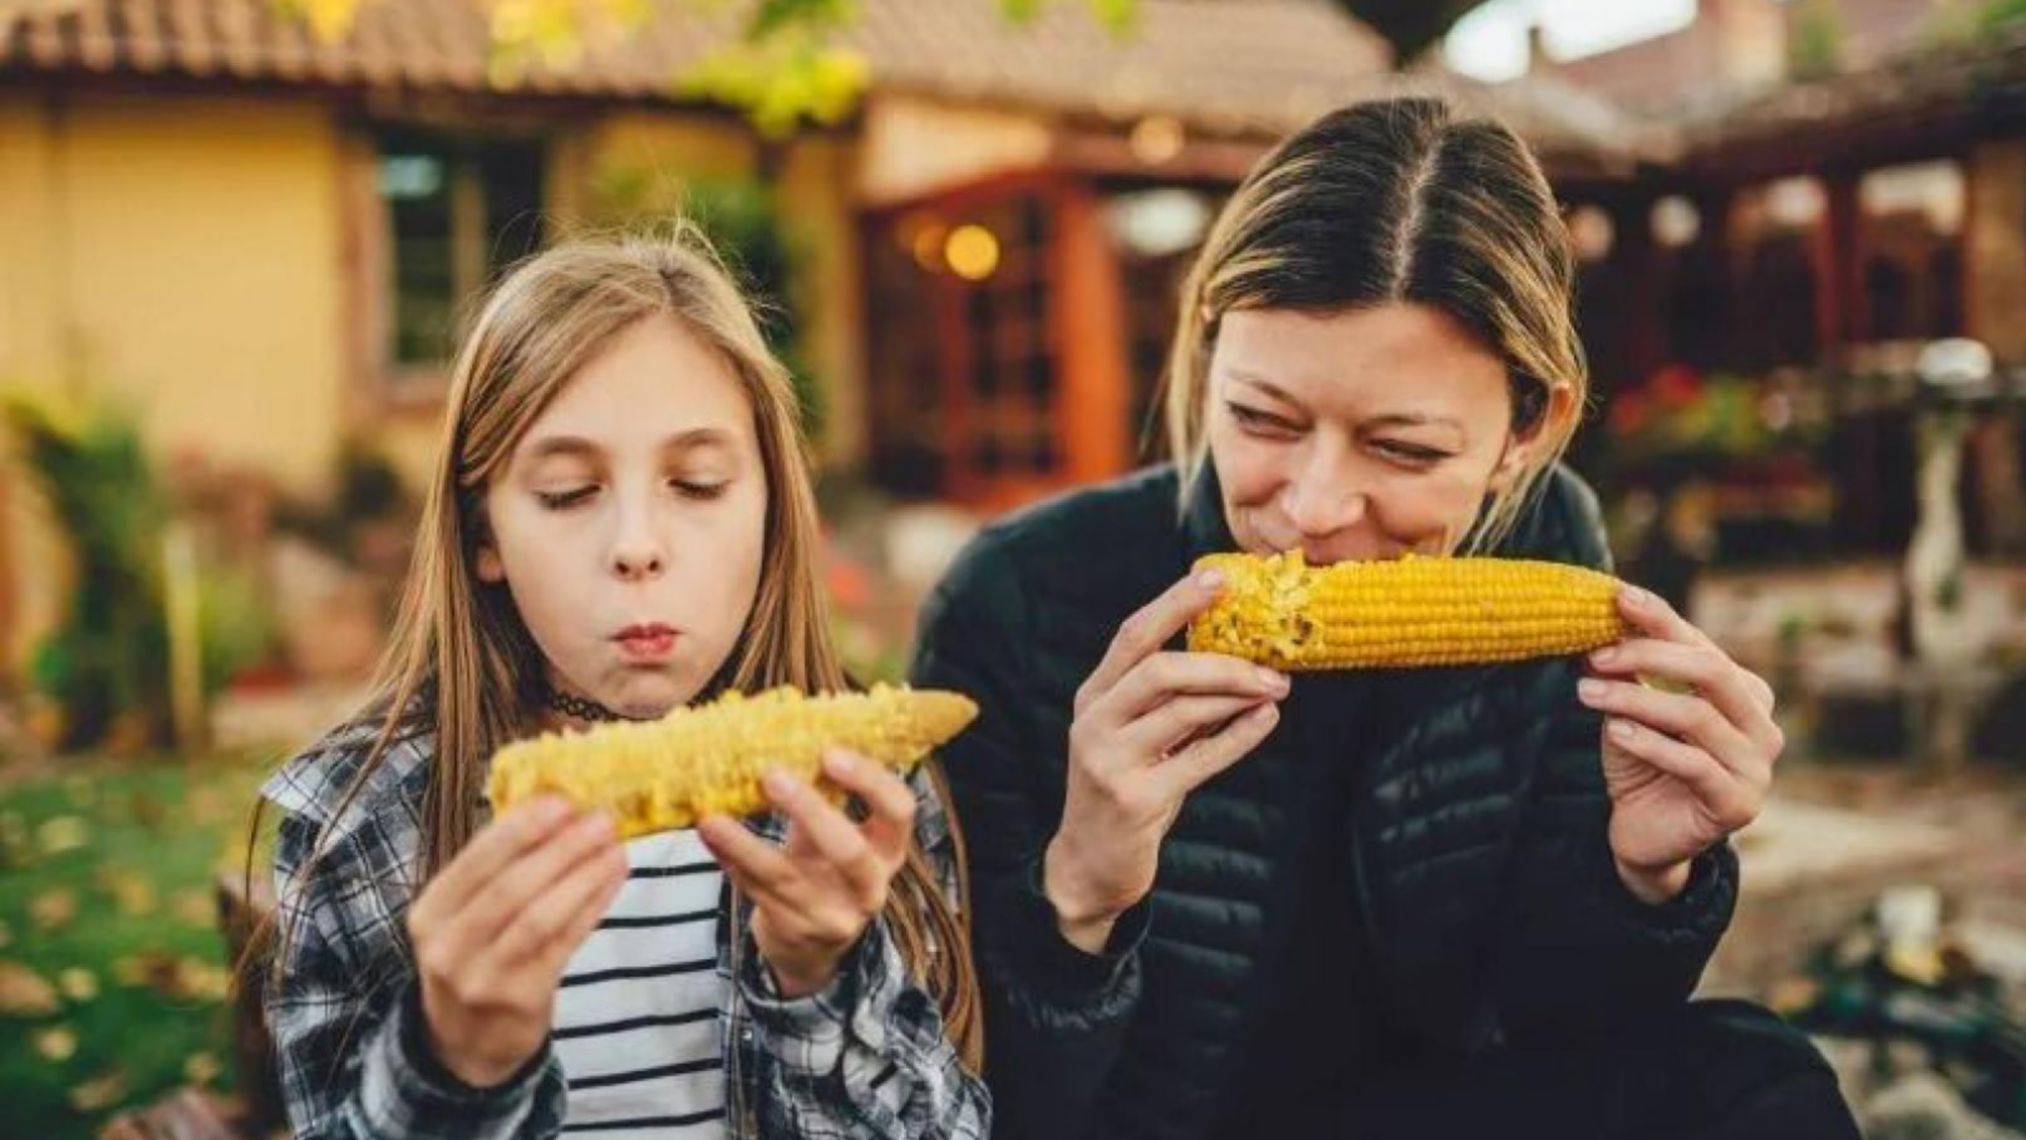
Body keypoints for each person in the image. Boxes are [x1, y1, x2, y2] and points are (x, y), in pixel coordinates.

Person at [911, 98, 1858, 1139]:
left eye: (1402, 450)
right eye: (1260, 419)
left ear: (1525, 429)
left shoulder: (1551, 536)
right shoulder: (1017, 597)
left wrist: (1642, 874)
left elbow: (1564, 1026)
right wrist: (1077, 892)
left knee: (1757, 1073)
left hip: (1420, 1107)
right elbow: (959, 1092)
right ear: (1207, 359)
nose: (1314, 508)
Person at [257, 232, 988, 1139]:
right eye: (568, 493)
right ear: (483, 535)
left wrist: (823, 981)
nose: (637, 544)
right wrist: (453, 1067)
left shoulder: (861, 798)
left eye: (698, 482)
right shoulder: (358, 823)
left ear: (770, 509)